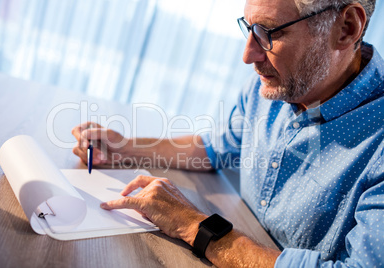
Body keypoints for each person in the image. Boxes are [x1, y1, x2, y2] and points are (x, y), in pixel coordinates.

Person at [72, 0, 384, 267]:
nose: (248, 55)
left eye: (270, 32)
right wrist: (123, 148)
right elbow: (215, 148)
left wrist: (196, 226)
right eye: (249, 28)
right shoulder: (280, 82)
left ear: (346, 28)